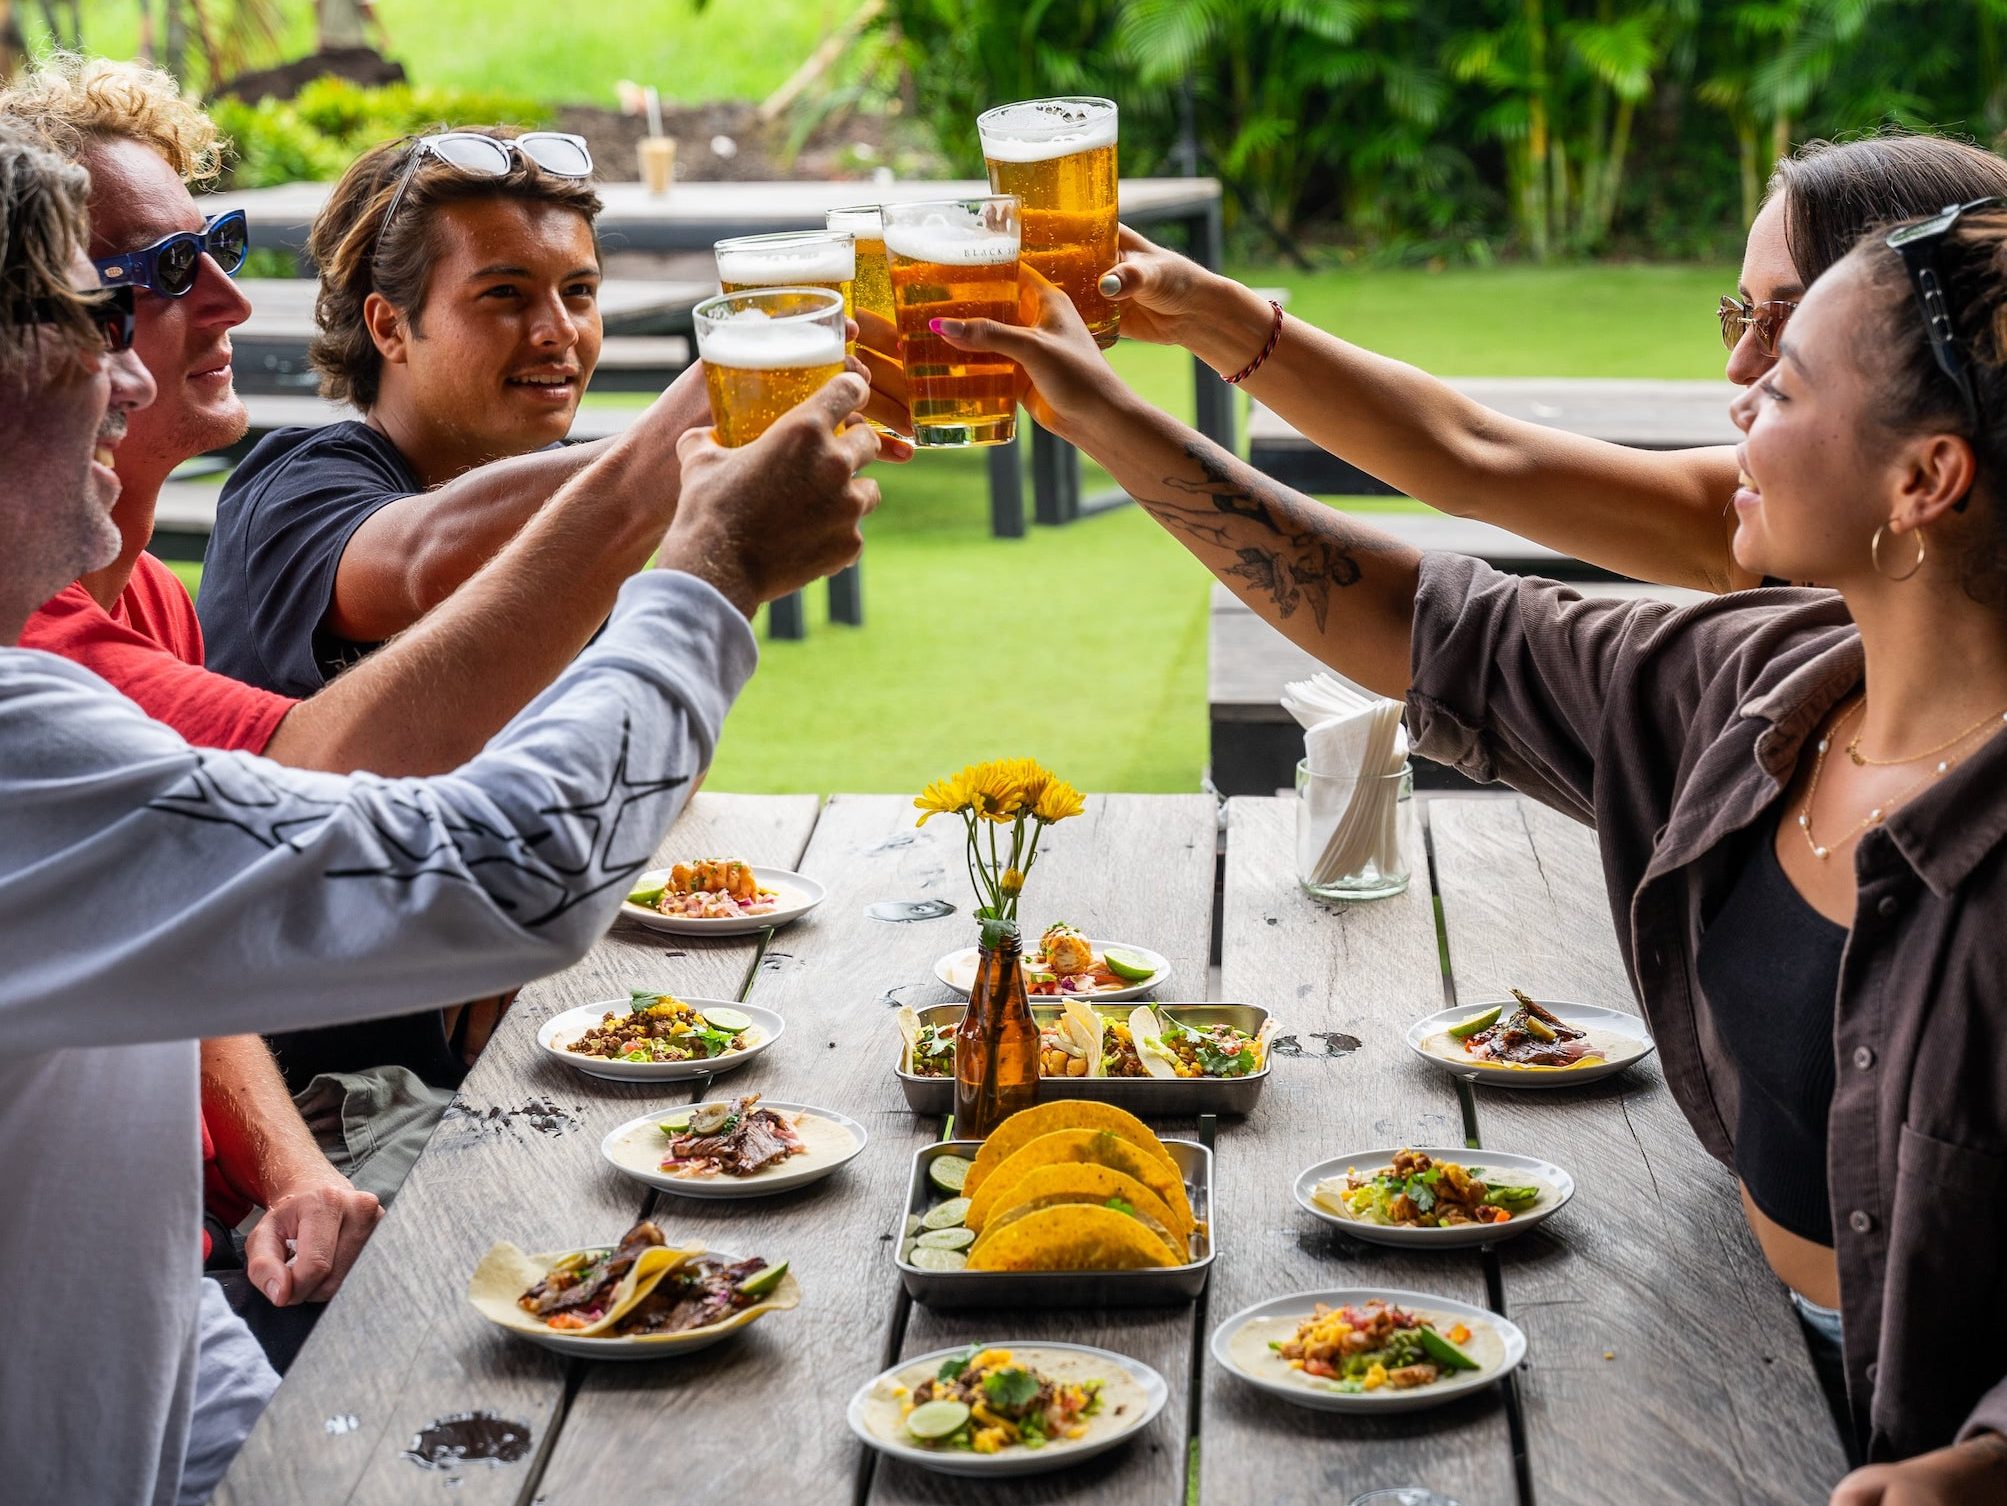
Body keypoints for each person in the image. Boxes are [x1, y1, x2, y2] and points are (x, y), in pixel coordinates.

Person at [934, 202, 2007, 1497]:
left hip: (1913, 1441)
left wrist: (1985, 1463)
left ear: (1923, 479)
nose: (1735, 403)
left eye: (1778, 382)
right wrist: (1103, 418)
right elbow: (1426, 623)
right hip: (1723, 1344)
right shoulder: (1761, 688)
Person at [0, 118, 880, 1506]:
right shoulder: (27, 732)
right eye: (105, 310)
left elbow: (141, 1294)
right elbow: (498, 872)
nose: (133, 370)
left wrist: (278, 1456)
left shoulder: (74, 675)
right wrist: (703, 556)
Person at [1076, 132, 2007, 594]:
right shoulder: (1773, 526)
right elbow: (1473, 455)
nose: (1740, 372)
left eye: (1789, 322)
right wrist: (1206, 312)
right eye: (1739, 317)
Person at [196, 124, 910, 696]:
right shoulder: (289, 493)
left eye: (578, 291)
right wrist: (714, 420)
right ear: (388, 327)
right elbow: (424, 559)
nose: (560, 330)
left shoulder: (570, 510)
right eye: (504, 293)